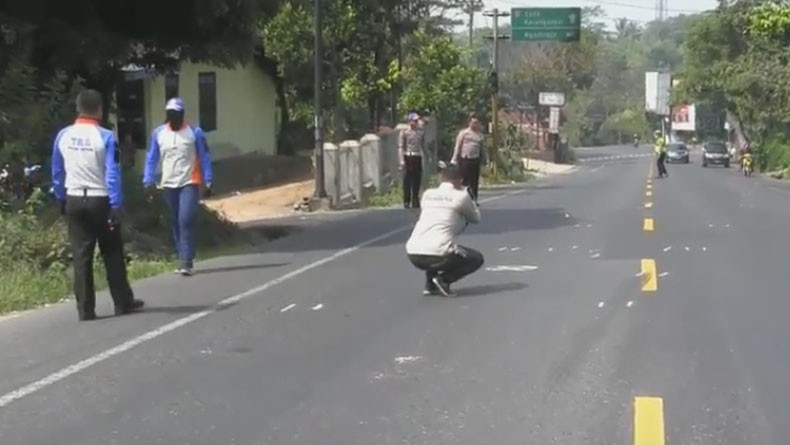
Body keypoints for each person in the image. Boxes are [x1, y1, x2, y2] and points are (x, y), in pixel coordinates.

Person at [51, 89, 144, 321]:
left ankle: (85, 309)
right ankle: (122, 302)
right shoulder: (105, 137)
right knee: (112, 252)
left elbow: (56, 171)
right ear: (99, 109)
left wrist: (61, 198)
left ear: (78, 109)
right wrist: (116, 203)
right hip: (99, 199)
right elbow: (112, 173)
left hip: (73, 199)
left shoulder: (63, 135)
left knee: (81, 256)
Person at [143, 97, 213, 276]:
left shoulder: (194, 132)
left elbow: (204, 156)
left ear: (182, 115)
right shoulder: (159, 133)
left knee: (186, 219)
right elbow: (152, 157)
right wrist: (147, 179)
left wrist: (209, 180)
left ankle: (186, 261)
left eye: (176, 114)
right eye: (170, 114)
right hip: (168, 183)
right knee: (175, 220)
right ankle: (182, 255)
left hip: (189, 181)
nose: (173, 118)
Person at [405, 164, 484, 297]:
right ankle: (444, 280)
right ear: (460, 180)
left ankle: (430, 285)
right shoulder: (461, 196)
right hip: (439, 254)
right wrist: (470, 199)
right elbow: (475, 219)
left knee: (434, 241)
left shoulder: (428, 194)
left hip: (413, 253)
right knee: (476, 259)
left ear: (441, 178)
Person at [451, 114, 485, 203]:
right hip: (465, 159)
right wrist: (454, 158)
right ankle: (462, 199)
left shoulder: (480, 135)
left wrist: (484, 159)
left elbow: (482, 148)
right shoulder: (464, 133)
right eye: (473, 122)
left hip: (475, 159)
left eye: (476, 123)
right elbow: (458, 146)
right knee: (464, 180)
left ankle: (473, 199)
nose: (475, 124)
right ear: (469, 123)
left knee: (474, 181)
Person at [399, 112, 426, 208]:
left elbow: (423, 146)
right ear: (410, 121)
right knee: (407, 179)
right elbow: (401, 147)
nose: (416, 122)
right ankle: (407, 200)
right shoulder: (405, 132)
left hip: (417, 156)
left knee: (417, 179)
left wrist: (424, 156)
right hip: (408, 156)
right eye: (414, 120)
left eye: (417, 120)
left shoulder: (420, 132)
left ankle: (415, 199)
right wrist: (401, 160)